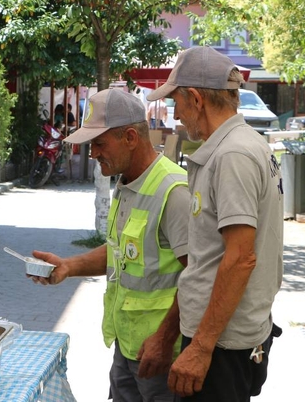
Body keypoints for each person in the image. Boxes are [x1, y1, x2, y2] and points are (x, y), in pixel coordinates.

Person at [30, 88, 191, 402]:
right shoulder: (127, 183)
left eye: (99, 144)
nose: (93, 154)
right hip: (128, 347)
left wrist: (164, 337)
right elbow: (120, 252)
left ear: (130, 137)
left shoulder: (174, 192)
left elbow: (199, 276)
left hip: (161, 354)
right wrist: (68, 266)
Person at [146, 46, 283, 401]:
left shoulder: (232, 154)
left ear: (196, 99)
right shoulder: (241, 145)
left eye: (177, 102)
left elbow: (240, 258)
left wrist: (202, 347)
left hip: (223, 343)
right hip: (225, 337)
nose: (176, 115)